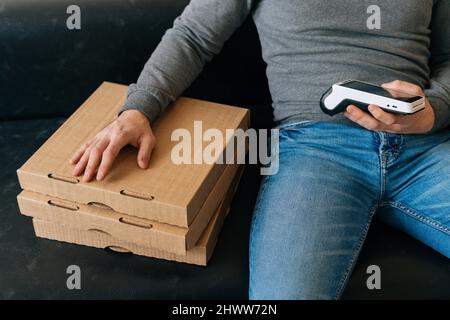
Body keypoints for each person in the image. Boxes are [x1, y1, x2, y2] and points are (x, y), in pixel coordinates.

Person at [70, 1, 450, 299]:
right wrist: (138, 108)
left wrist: (433, 109)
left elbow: (447, 60)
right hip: (315, 150)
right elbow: (192, 36)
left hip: (425, 145)